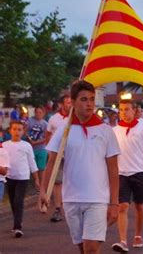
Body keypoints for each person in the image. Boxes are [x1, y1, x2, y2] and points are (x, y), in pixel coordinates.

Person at [39, 80, 120, 254]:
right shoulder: (64, 130)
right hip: (71, 198)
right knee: (83, 248)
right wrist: (43, 191)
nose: (89, 104)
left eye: (91, 99)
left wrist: (114, 202)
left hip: (98, 199)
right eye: (83, 99)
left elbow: (113, 168)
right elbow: (51, 161)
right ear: (73, 102)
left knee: (91, 248)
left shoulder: (105, 130)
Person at [111, 99, 143, 252]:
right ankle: (123, 240)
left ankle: (138, 235)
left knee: (139, 206)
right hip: (121, 174)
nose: (124, 113)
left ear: (134, 110)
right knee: (122, 206)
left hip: (138, 172)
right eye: (121, 110)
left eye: (127, 109)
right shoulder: (115, 130)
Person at [3, 120, 40, 238]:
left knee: (18, 200)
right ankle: (16, 222)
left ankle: (18, 227)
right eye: (14, 129)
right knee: (13, 201)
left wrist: (37, 179)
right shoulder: (4, 145)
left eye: (19, 129)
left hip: (23, 177)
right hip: (9, 177)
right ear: (10, 131)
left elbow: (32, 163)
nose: (17, 132)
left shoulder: (26, 146)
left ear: (23, 132)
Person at [45, 94, 72, 222]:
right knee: (57, 181)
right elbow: (48, 135)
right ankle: (57, 209)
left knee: (71, 180)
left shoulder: (75, 118)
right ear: (62, 104)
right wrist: (50, 151)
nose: (70, 105)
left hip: (72, 153)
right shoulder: (53, 119)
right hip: (57, 154)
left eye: (71, 102)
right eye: (67, 102)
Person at [27, 106, 48, 184]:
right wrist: (30, 139)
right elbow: (25, 131)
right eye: (37, 112)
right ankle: (36, 184)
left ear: (43, 114)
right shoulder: (30, 121)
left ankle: (41, 186)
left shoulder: (45, 124)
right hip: (31, 149)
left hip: (42, 148)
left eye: (40, 113)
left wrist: (36, 142)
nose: (38, 114)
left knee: (41, 168)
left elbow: (46, 137)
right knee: (33, 169)